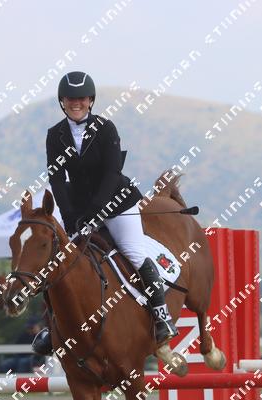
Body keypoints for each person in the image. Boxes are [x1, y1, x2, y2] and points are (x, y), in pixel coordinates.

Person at [31, 71, 178, 356]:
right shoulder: (54, 135)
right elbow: (57, 179)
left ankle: (161, 315)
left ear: (90, 101)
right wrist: (69, 215)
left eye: (81, 98)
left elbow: (112, 173)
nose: (76, 103)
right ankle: (51, 326)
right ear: (62, 101)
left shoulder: (106, 128)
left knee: (133, 251)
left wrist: (96, 212)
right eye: (70, 99)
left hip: (116, 202)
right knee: (59, 260)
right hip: (78, 207)